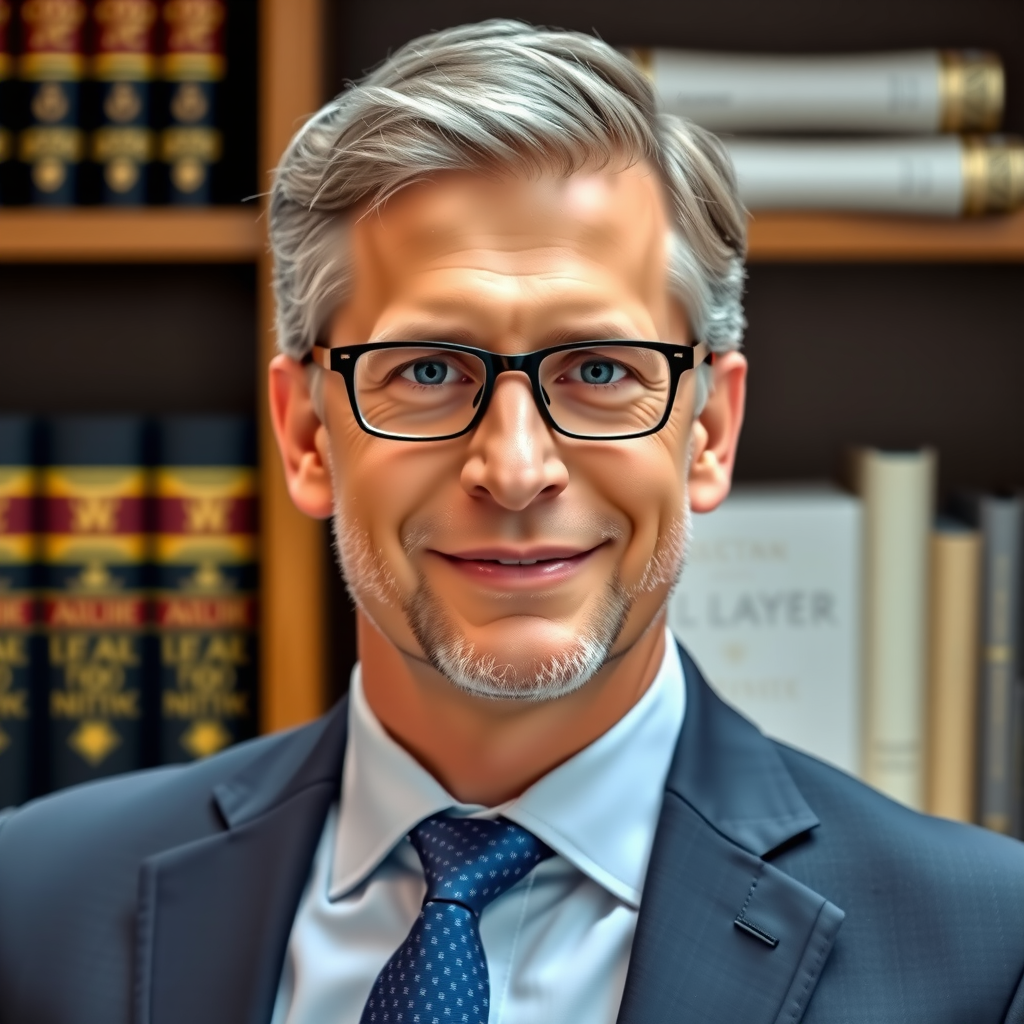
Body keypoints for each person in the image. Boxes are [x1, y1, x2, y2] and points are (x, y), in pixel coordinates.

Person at [1, 20, 1022, 1024]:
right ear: (307, 433)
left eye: (599, 370)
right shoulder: (32, 904)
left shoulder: (986, 952)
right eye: (429, 371)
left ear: (707, 429)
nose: (517, 468)